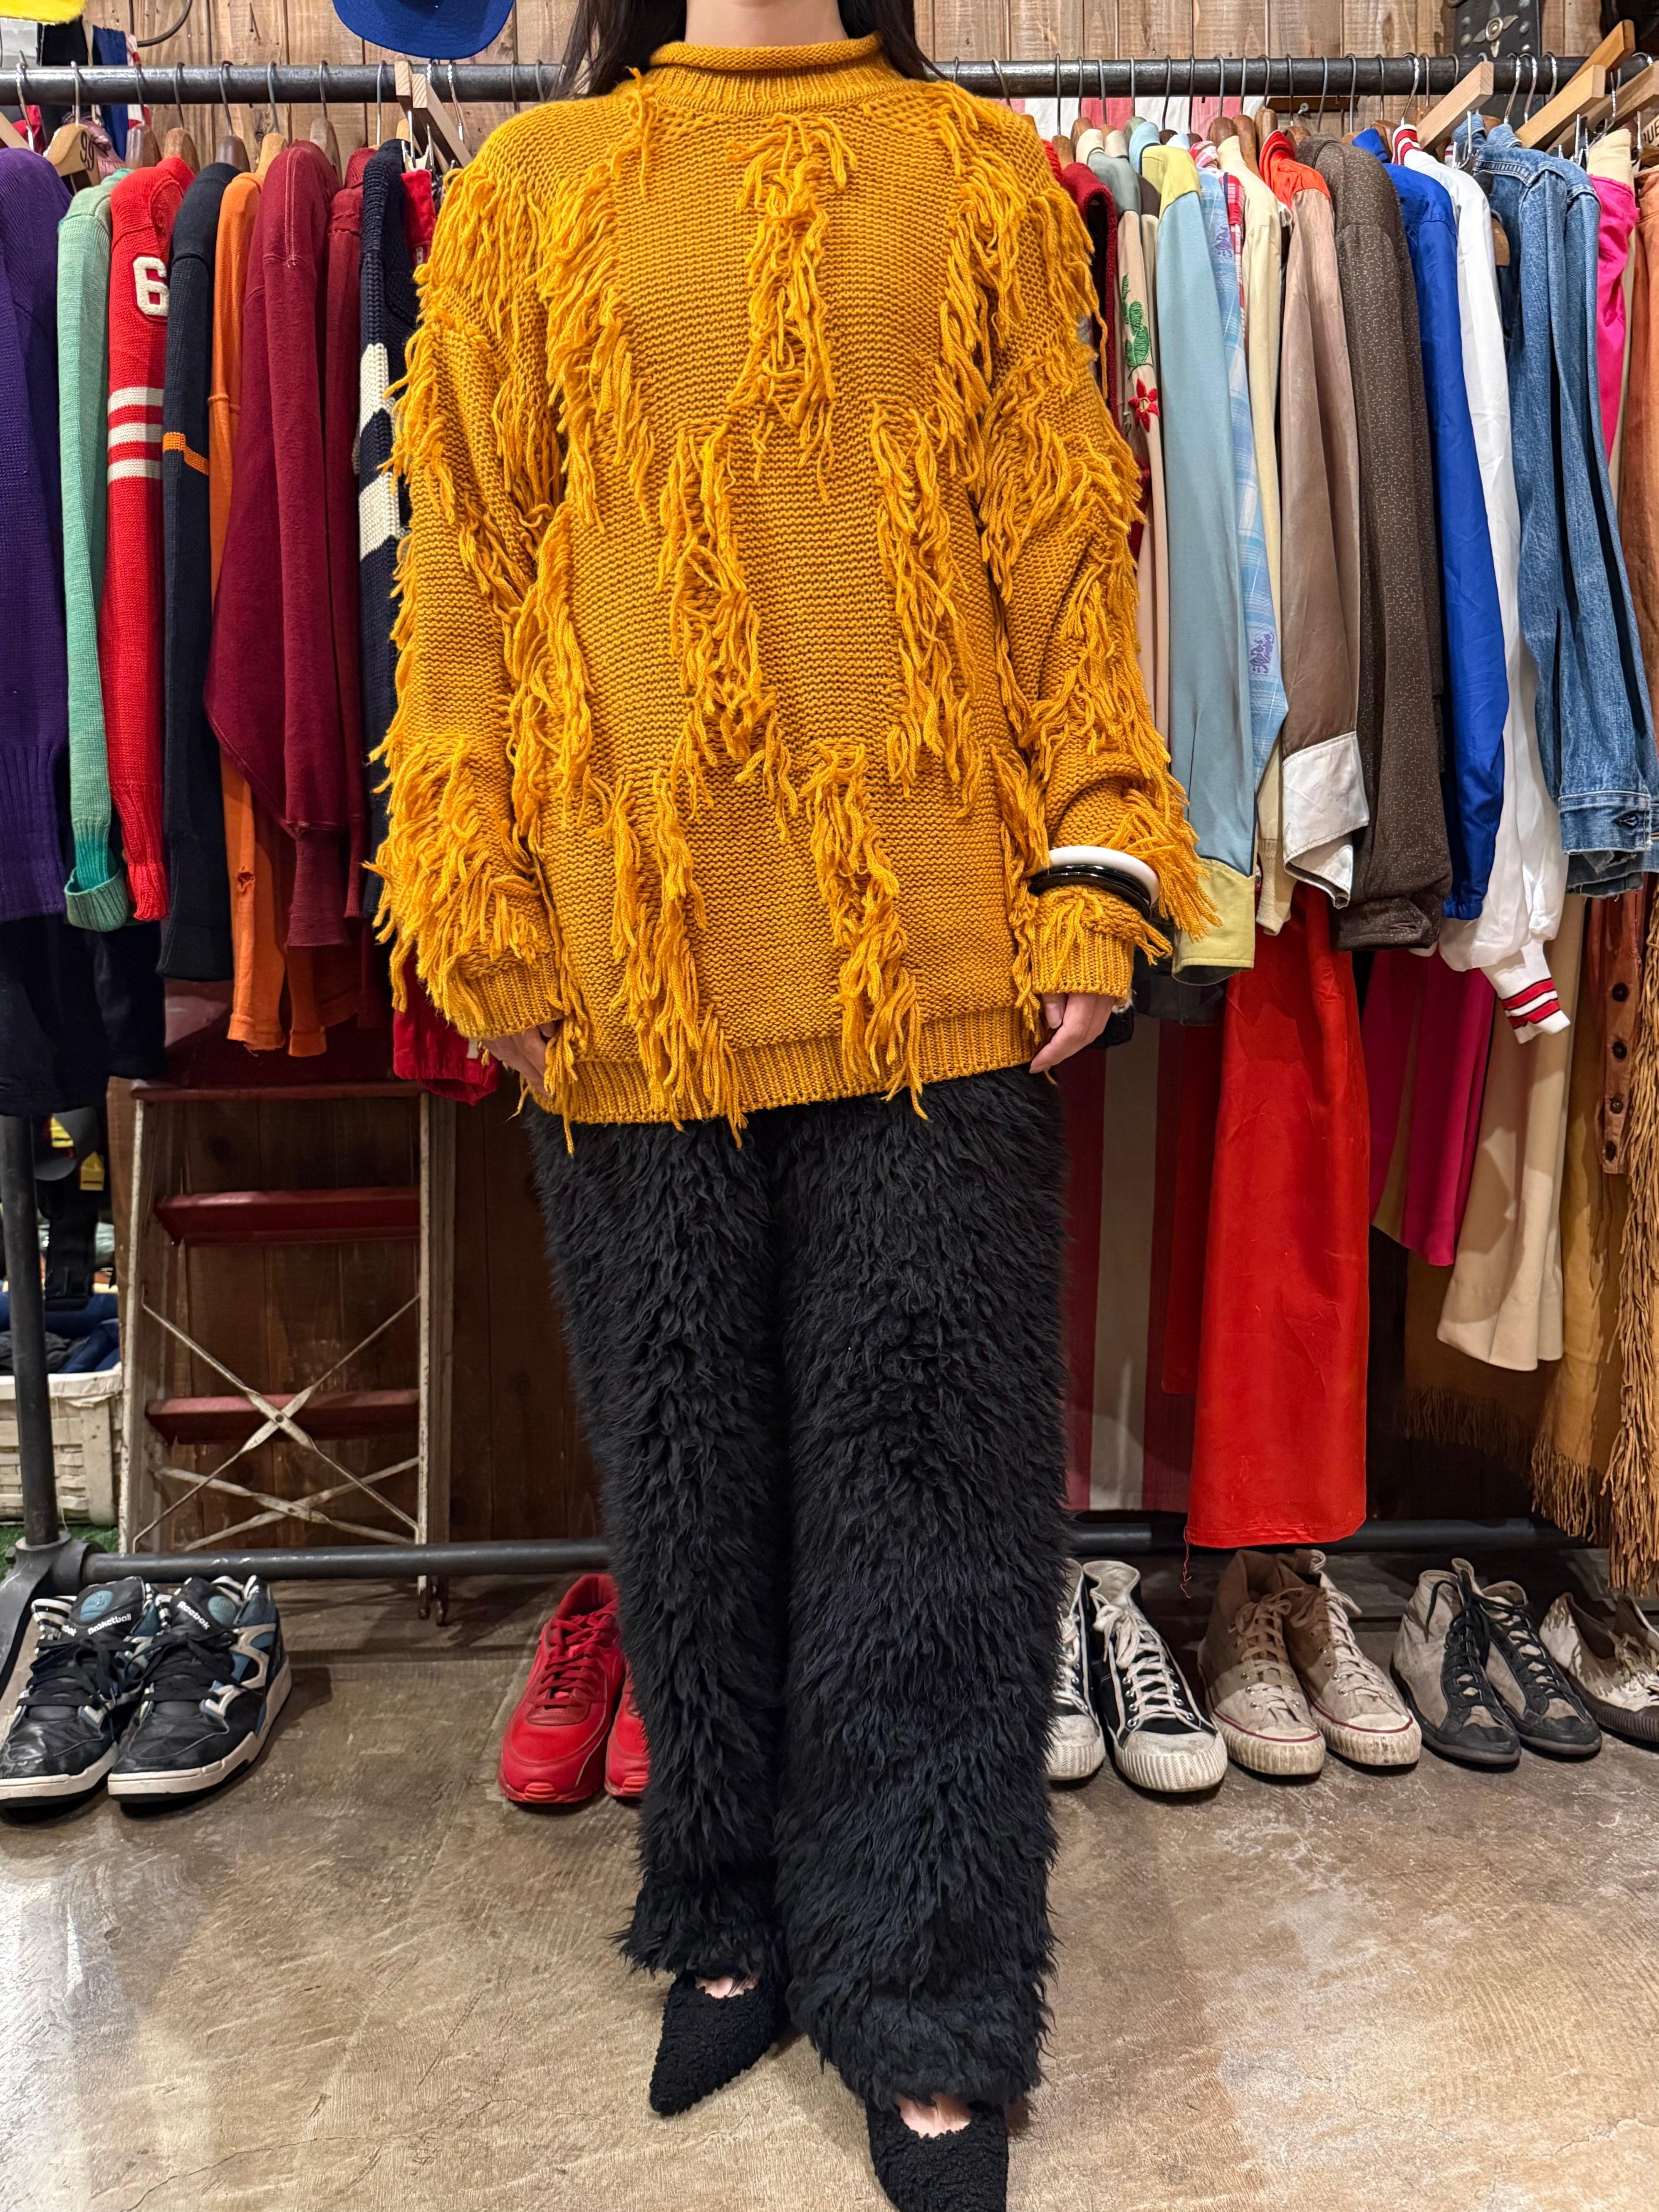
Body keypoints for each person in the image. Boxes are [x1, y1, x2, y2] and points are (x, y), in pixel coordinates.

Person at [376, 1, 1206, 2203]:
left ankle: (928, 1993)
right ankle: (728, 1905)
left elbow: (1065, 545)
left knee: (933, 1505)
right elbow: (462, 577)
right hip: (628, 973)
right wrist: (473, 891)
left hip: (928, 967)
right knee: (688, 1482)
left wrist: (1097, 857)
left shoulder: (972, 178)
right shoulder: (533, 195)